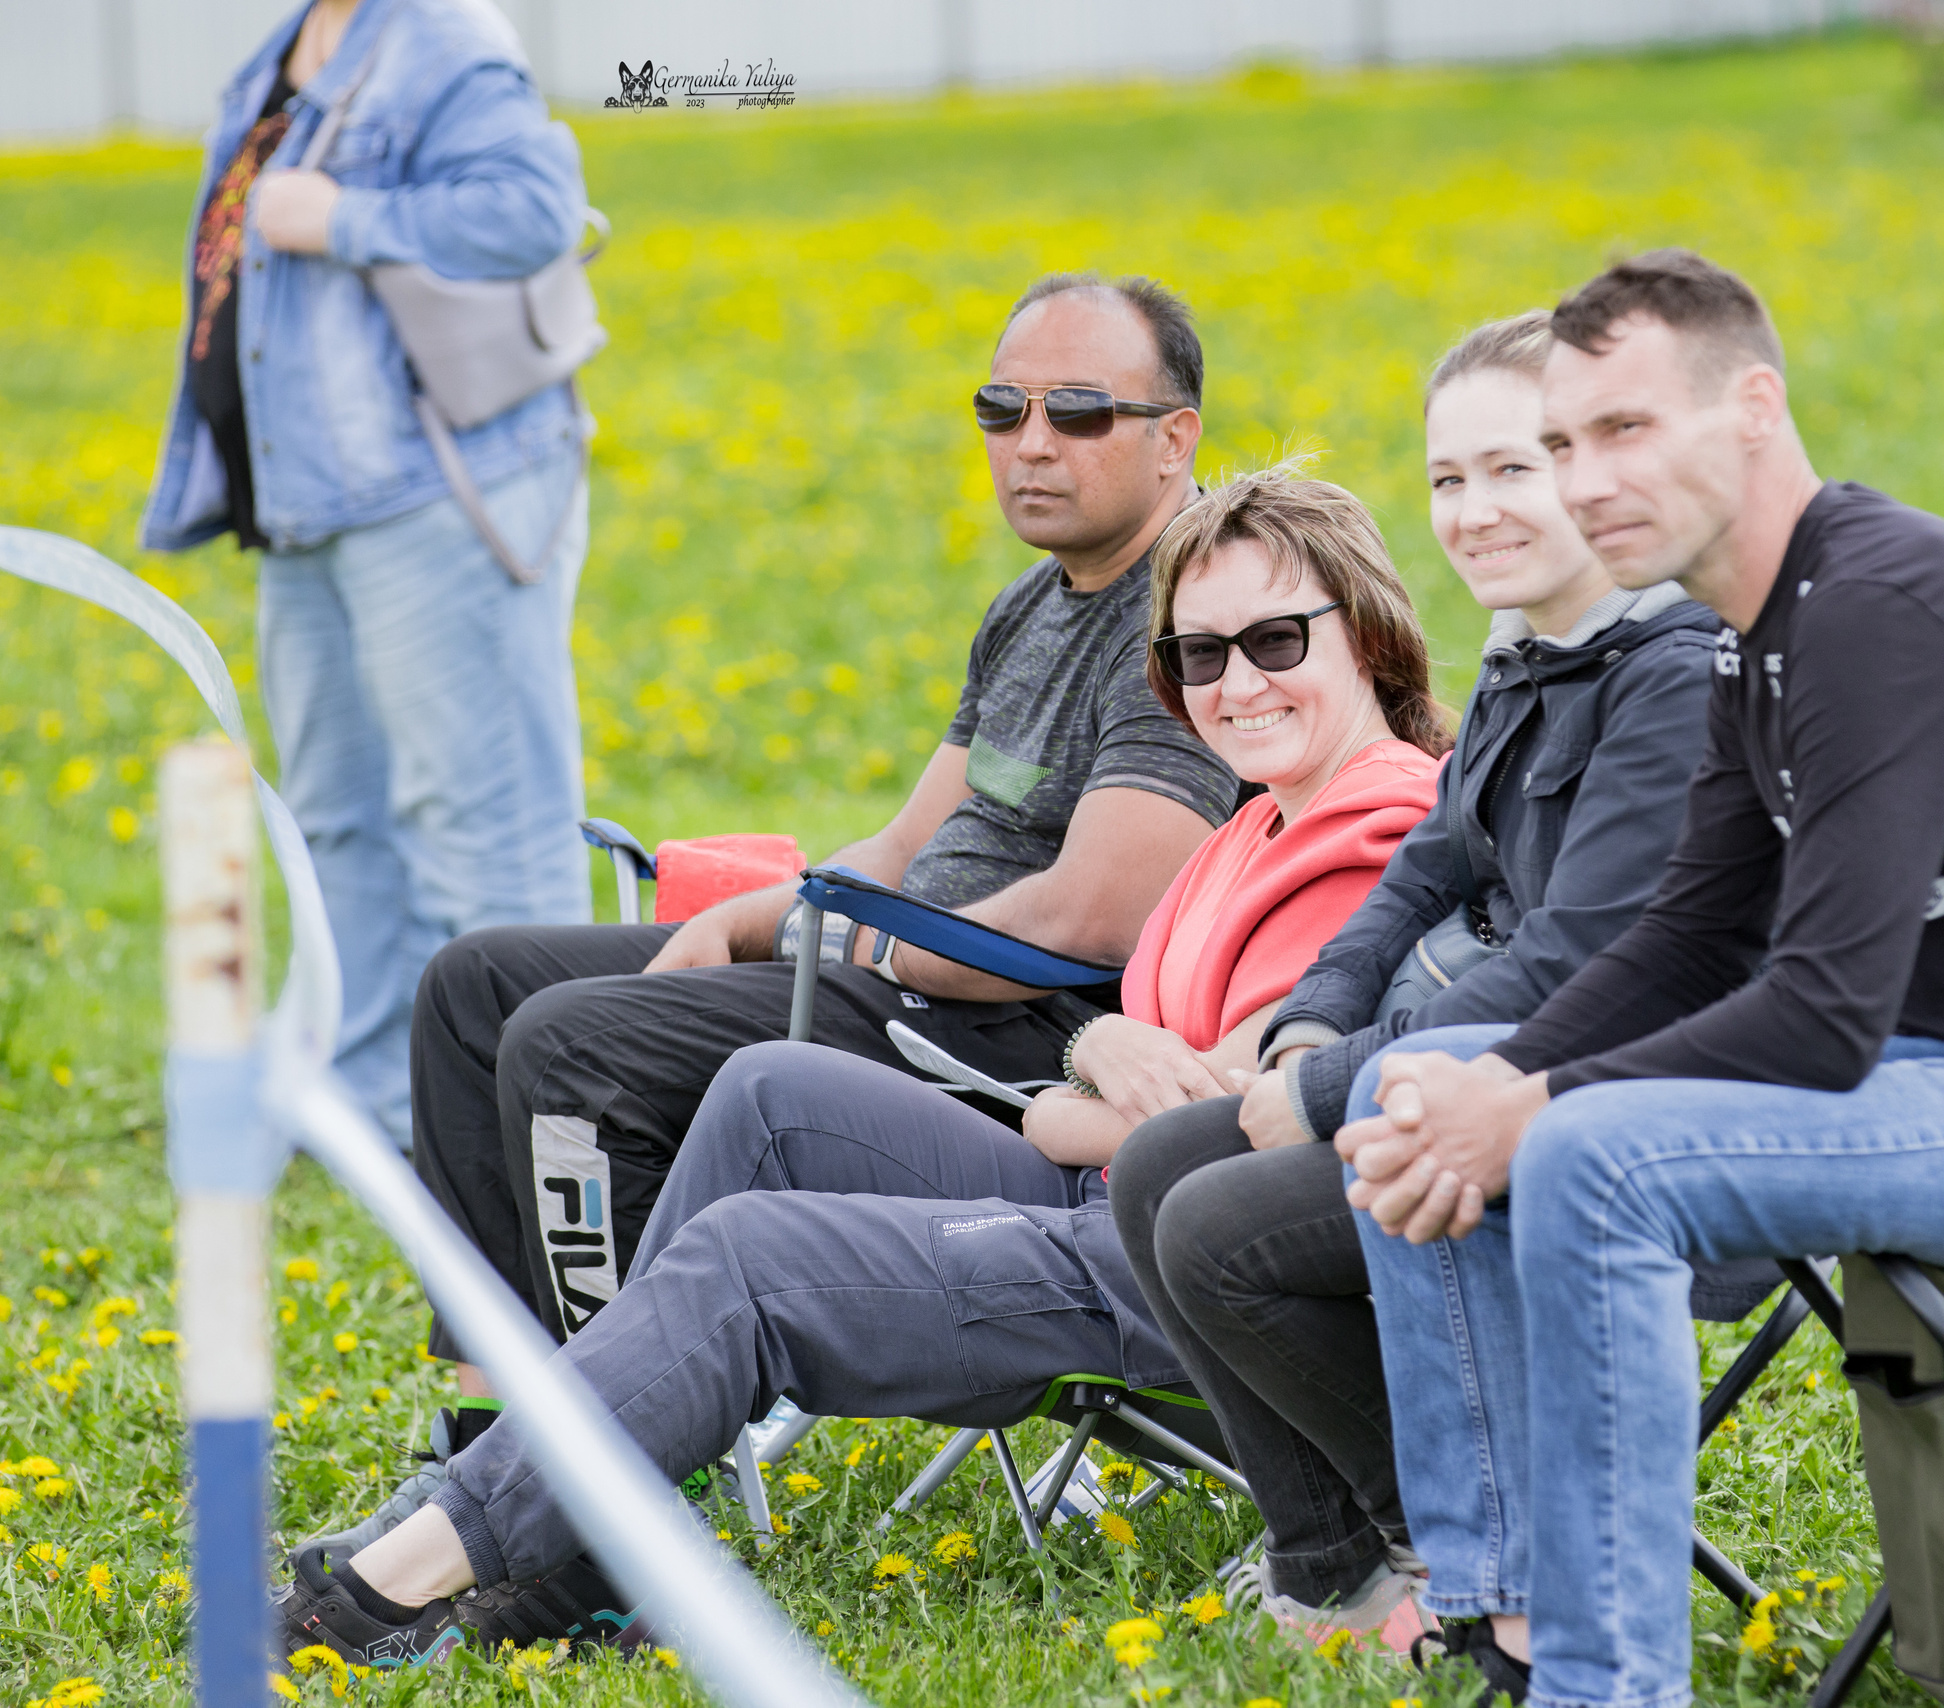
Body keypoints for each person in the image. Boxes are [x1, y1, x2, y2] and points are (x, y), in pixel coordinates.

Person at [276, 468, 1451, 1665]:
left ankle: (391, 1587)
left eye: (1274, 639)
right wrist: (1095, 1062)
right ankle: (585, 1524)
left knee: (750, 1261)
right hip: (1106, 1200)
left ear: (1365, 628)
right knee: (770, 1087)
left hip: (1160, 1274)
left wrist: (1078, 1103)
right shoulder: (1263, 818)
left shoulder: (1373, 838)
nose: (1238, 683)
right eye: (1200, 655)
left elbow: (1234, 1129)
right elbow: (1119, 1088)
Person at [1336, 250, 1944, 1707]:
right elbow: (1691, 939)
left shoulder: (1880, 610)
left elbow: (1822, 1013)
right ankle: (1498, 1613)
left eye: (1624, 431)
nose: (1584, 482)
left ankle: (1606, 1690)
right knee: (1410, 1081)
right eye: (1564, 443)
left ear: (1753, 407)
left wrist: (1536, 1106)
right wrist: (1489, 1079)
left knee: (1589, 1157)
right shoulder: (1759, 639)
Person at [377, 272, 1240, 1506]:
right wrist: (759, 917)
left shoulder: (1187, 619)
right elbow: (901, 850)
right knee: (475, 986)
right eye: (1002, 410)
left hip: (1007, 1026)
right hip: (898, 966)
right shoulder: (1030, 606)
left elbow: (1084, 921)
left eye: (1079, 413)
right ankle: (488, 1423)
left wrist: (849, 947)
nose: (1030, 443)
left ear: (1175, 438)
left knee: (577, 1047)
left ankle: (596, 1503)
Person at [1107, 311, 1738, 1639]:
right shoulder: (1525, 657)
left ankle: (1476, 1565)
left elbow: (1589, 956)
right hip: (1478, 1078)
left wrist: (1335, 1086)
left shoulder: (1668, 674)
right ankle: (1336, 1571)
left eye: (1514, 467)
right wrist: (1314, 1023)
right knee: (1166, 1162)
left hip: (1614, 1105)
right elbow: (1425, 875)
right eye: (1449, 479)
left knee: (1216, 1231)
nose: (1476, 510)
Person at [139, 0, 597, 1144]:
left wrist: (345, 215)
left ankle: (542, 1131)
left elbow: (537, 208)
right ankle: (372, 1118)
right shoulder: (295, 40)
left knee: (483, 821)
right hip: (302, 505)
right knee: (339, 820)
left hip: (432, 495)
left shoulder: (441, 36)